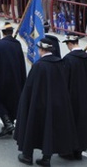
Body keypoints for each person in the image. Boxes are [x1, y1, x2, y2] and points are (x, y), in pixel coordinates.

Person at [15, 35, 77, 166]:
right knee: (49, 129)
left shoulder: (39, 66)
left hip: (39, 104)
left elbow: (30, 87)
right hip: (56, 104)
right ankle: (46, 157)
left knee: (33, 126)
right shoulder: (60, 64)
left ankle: (27, 155)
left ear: (42, 50)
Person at [0, 22, 26, 138]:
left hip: (1, 79)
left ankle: (7, 123)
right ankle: (9, 123)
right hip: (15, 79)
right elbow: (21, 64)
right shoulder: (17, 44)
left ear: (2, 33)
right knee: (12, 102)